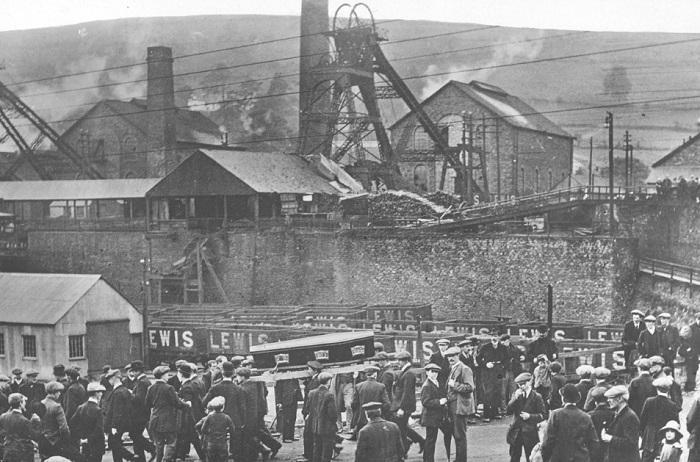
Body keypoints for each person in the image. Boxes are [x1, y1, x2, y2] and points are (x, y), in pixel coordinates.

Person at [540, 383, 599, 462]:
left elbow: (548, 441)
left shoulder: (556, 414)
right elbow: (593, 443)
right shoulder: (586, 417)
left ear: (563, 398)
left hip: (559, 458)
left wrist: (545, 457)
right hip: (581, 458)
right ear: (578, 398)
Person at [145, 365, 190, 462]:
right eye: (166, 374)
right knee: (171, 442)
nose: (168, 376)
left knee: (159, 444)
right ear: (162, 376)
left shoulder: (150, 388)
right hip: (168, 420)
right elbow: (177, 403)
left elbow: (147, 403)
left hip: (155, 419)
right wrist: (187, 404)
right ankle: (166, 460)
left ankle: (158, 460)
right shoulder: (169, 388)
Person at [203, 360, 247, 456]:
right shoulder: (239, 389)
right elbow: (242, 407)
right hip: (235, 419)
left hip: (217, 420)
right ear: (233, 373)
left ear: (222, 373)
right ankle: (234, 453)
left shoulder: (215, 387)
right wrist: (243, 421)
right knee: (236, 443)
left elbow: (204, 402)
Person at [506, 372, 546, 462]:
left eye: (523, 384)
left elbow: (543, 415)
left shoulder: (537, 397)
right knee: (514, 457)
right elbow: (508, 411)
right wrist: (514, 398)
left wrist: (530, 416)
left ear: (529, 382)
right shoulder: (516, 395)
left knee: (531, 457)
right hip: (516, 432)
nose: (521, 387)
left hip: (530, 432)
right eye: (519, 385)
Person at [38, 380, 82, 461]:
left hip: (43, 441)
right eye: (59, 392)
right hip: (56, 441)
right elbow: (64, 428)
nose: (60, 394)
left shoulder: (40, 403)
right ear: (54, 393)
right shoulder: (56, 407)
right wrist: (66, 441)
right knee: (78, 457)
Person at [639, 376, 680, 462]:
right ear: (668, 390)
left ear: (657, 389)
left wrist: (644, 434)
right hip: (665, 438)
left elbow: (642, 421)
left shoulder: (649, 401)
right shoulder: (672, 405)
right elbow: (676, 424)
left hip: (649, 437)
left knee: (647, 458)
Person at [445, 346, 474, 462]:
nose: (450, 358)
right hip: (453, 405)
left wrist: (454, 385)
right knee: (456, 434)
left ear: (458, 356)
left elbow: (470, 387)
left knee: (460, 435)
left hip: (460, 406)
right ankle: (459, 459)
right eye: (448, 356)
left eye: (453, 356)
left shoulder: (464, 369)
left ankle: (461, 460)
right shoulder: (453, 368)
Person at [600, 385, 640, 462]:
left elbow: (631, 443)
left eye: (610, 398)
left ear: (620, 399)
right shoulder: (619, 414)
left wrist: (610, 438)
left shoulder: (629, 417)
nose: (608, 400)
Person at [175, 363, 205, 461]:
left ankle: (204, 458)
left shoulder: (186, 387)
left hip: (187, 420)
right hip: (192, 418)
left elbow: (187, 405)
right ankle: (180, 456)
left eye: (178, 373)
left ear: (182, 374)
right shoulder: (191, 384)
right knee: (190, 439)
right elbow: (199, 401)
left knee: (191, 439)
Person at [390, 350, 418, 456]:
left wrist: (402, 408)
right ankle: (405, 447)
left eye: (400, 360)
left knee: (401, 430)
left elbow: (407, 392)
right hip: (401, 406)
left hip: (403, 407)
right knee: (402, 429)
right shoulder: (406, 372)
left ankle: (403, 450)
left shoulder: (409, 373)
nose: (398, 362)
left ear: (406, 360)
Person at [103, 368, 135, 462]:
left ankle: (132, 458)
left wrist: (114, 426)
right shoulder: (124, 390)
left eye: (109, 379)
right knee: (115, 445)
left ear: (114, 378)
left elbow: (118, 411)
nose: (109, 381)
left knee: (114, 444)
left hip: (118, 425)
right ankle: (131, 458)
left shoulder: (118, 392)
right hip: (123, 424)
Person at [69, 382, 106, 462]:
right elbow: (99, 430)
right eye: (100, 392)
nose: (101, 394)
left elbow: (72, 424)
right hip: (96, 445)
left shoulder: (81, 407)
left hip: (85, 444)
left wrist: (81, 438)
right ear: (97, 394)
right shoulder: (98, 410)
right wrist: (89, 439)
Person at [0, 393, 41, 462]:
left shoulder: (3, 417)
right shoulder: (24, 420)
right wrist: (36, 422)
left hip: (8, 450)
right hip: (23, 453)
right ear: (20, 403)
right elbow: (35, 436)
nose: (25, 404)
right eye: (24, 402)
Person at [305, 372, 337, 462]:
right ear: (329, 381)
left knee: (317, 450)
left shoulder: (311, 393)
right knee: (326, 452)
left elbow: (308, 409)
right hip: (327, 428)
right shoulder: (329, 395)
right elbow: (332, 414)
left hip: (315, 427)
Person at [477, 331, 507, 422]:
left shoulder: (503, 348)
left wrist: (502, 366)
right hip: (488, 373)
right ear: (490, 337)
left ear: (499, 337)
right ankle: (487, 414)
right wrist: (486, 364)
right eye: (493, 336)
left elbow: (507, 359)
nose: (494, 338)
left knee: (497, 391)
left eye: (496, 336)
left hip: (499, 372)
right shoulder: (485, 347)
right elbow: (478, 359)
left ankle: (495, 413)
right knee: (488, 393)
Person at [420, 363, 447, 462]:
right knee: (430, 440)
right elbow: (425, 402)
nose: (435, 374)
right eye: (432, 371)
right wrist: (439, 402)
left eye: (436, 372)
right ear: (427, 372)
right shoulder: (427, 385)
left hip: (435, 416)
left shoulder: (435, 382)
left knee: (431, 439)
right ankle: (428, 460)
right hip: (430, 417)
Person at [195, 396, 235, 462]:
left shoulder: (209, 417)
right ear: (223, 407)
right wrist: (226, 432)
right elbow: (232, 429)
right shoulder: (226, 417)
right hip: (222, 443)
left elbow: (203, 429)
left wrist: (209, 433)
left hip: (211, 443)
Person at [130, 360, 155, 462]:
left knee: (134, 434)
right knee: (136, 437)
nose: (132, 373)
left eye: (134, 371)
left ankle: (152, 449)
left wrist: (129, 394)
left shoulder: (141, 382)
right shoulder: (145, 381)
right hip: (144, 413)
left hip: (139, 414)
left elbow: (138, 399)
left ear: (138, 371)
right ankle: (140, 459)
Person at [352, 364, 390, 431]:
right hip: (377, 419)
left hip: (362, 420)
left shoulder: (358, 386)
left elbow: (354, 404)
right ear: (375, 374)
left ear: (367, 375)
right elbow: (387, 404)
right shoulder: (381, 386)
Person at [302, 360, 324, 461]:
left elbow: (312, 399)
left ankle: (309, 456)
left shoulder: (316, 382)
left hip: (312, 412)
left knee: (309, 434)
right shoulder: (312, 380)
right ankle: (308, 454)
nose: (307, 370)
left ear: (315, 371)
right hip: (310, 411)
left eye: (309, 369)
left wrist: (308, 412)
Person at [275, 375, 302, 443]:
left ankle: (291, 436)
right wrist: (279, 402)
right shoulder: (281, 378)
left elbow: (297, 386)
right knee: (286, 419)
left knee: (293, 418)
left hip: (293, 400)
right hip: (285, 401)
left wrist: (298, 395)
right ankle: (286, 437)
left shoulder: (294, 377)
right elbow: (278, 391)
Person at [680, 312, 700, 391]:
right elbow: (681, 338)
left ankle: (692, 385)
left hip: (697, 352)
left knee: (695, 368)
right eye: (699, 319)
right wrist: (688, 347)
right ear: (696, 319)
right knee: (690, 369)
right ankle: (688, 387)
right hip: (690, 352)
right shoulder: (690, 328)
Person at [501, 335, 523, 408]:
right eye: (504, 341)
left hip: (513, 371)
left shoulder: (515, 348)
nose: (505, 342)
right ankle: (503, 407)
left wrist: (523, 356)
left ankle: (512, 406)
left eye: (507, 341)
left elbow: (522, 354)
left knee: (513, 389)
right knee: (502, 391)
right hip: (503, 371)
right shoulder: (499, 349)